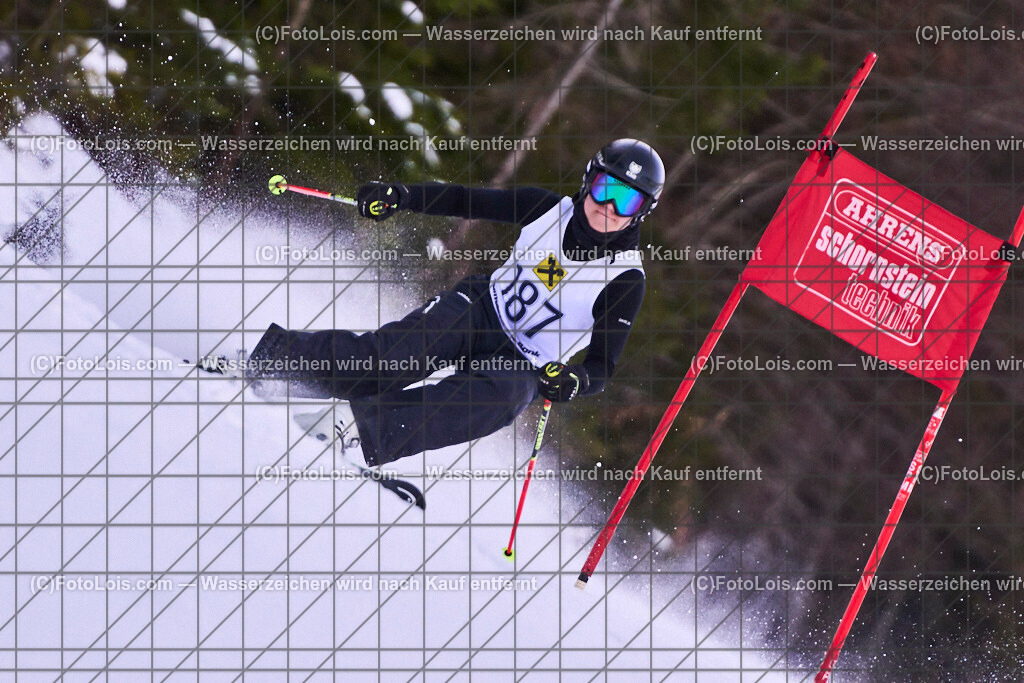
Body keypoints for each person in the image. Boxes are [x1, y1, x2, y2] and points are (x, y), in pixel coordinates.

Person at [245, 138, 665, 467]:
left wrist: (573, 381)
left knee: (497, 400)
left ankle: (359, 429)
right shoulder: (546, 209)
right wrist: (402, 196)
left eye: (627, 200)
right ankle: (270, 361)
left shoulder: (624, 279)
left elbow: (601, 367)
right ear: (589, 180)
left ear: (642, 212)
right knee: (392, 358)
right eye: (604, 187)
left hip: (524, 363)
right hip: (482, 309)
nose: (608, 207)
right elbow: (466, 200)